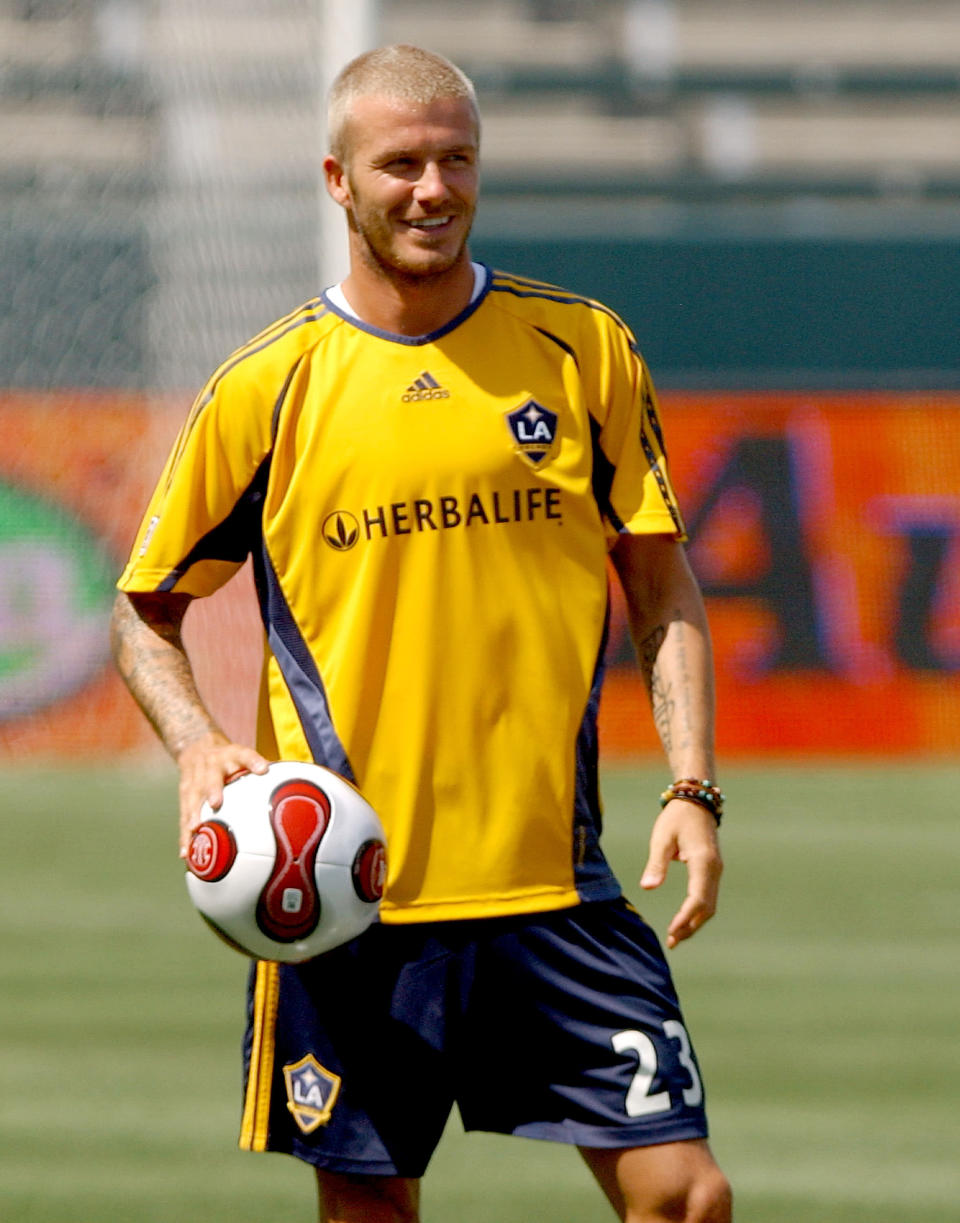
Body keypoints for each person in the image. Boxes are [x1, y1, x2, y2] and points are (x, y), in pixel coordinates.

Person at [111, 43, 731, 1223]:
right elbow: (147, 609)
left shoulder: (584, 347)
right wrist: (195, 741)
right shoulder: (268, 386)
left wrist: (694, 786)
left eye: (456, 159)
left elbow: (660, 583)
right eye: (401, 163)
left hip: (557, 880)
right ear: (337, 180)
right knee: (372, 1213)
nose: (432, 188)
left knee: (686, 1196)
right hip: (350, 899)